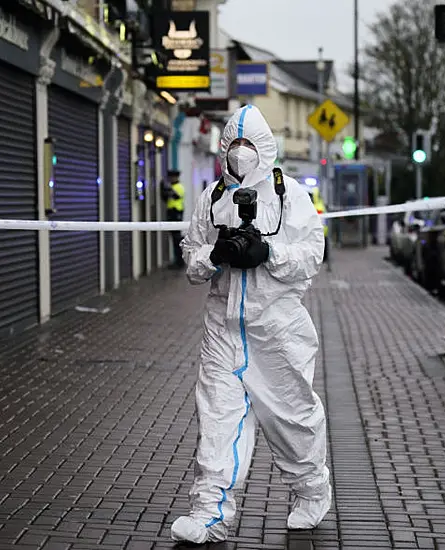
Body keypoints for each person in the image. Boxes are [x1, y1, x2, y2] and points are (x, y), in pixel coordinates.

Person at [171, 105, 331, 544]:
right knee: (217, 421)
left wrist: (269, 254)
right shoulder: (213, 197)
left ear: (265, 148)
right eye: (235, 145)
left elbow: (311, 256)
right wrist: (216, 255)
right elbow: (192, 260)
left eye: (249, 146)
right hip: (223, 329)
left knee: (292, 420)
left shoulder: (290, 196)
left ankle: (312, 492)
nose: (241, 154)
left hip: (277, 330)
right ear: (224, 148)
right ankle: (210, 514)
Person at [163, 170, 185, 268]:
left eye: (172, 177)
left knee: (176, 239)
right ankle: (178, 260)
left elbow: (175, 196)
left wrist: (168, 190)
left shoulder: (178, 187)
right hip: (172, 213)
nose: (170, 179)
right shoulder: (172, 187)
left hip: (176, 213)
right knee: (174, 238)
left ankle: (179, 262)